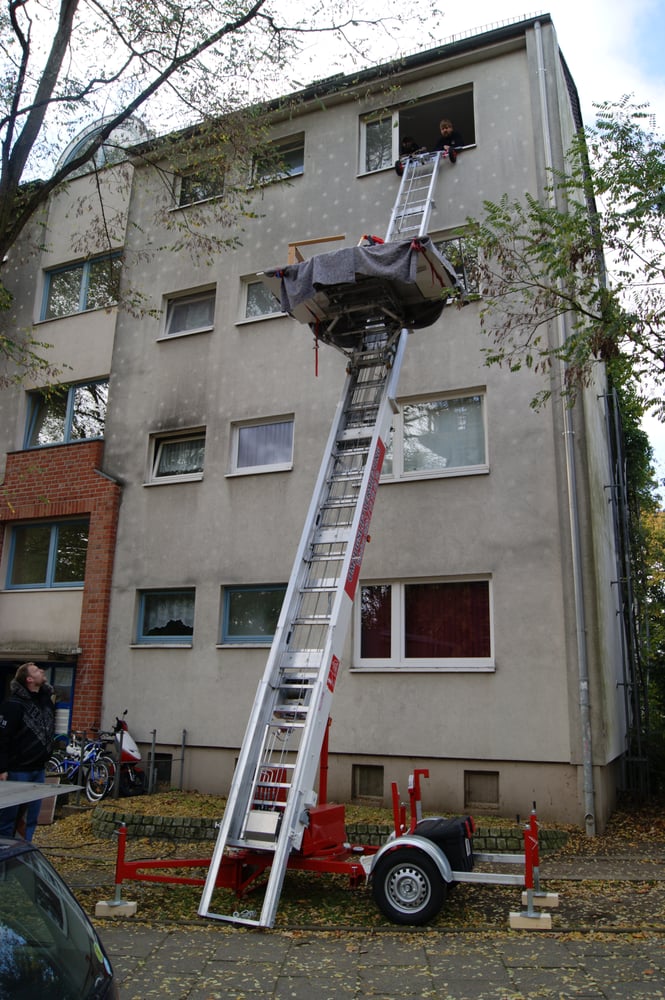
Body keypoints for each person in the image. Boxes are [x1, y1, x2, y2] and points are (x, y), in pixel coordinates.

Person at [0, 663, 55, 841]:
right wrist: (2, 768)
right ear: (29, 679)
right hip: (17, 769)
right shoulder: (14, 704)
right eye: (36, 670)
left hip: (39, 768)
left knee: (31, 818)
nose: (42, 671)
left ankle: (24, 849)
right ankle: (5, 850)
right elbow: (2, 738)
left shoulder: (46, 701)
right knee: (9, 816)